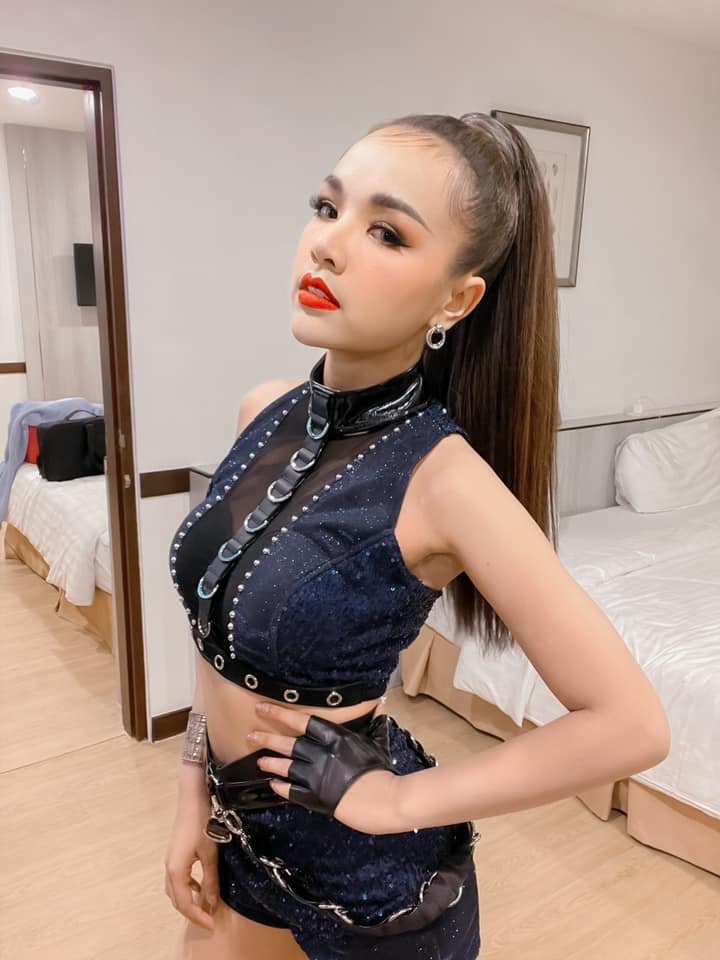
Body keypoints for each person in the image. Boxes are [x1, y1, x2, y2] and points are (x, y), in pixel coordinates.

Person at [164, 113, 671, 959]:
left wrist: (396, 803)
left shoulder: (445, 478)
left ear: (455, 300)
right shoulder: (263, 411)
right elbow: (218, 634)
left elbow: (633, 724)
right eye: (327, 208)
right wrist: (192, 797)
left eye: (387, 232)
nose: (327, 245)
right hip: (242, 840)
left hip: (371, 885)